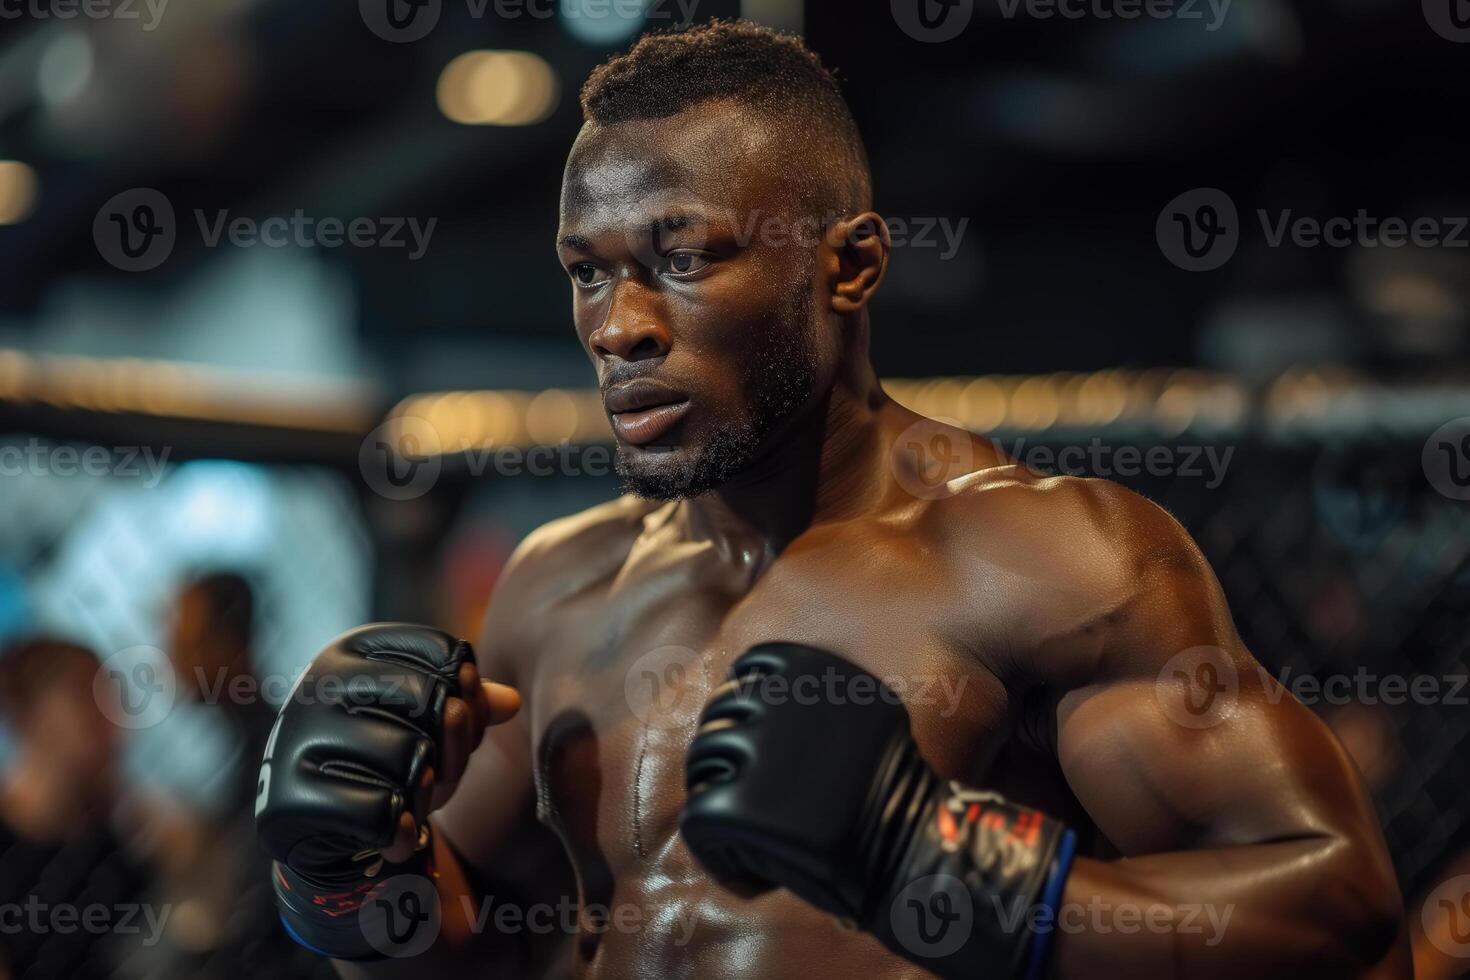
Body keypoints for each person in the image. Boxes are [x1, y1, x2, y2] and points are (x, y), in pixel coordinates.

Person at [255, 20, 1409, 978]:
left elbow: (1338, 906)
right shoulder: (560, 582)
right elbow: (440, 940)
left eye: (684, 257)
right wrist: (342, 872)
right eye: (588, 270)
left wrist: (930, 860)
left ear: (847, 265)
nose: (619, 326)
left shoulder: (1043, 558)